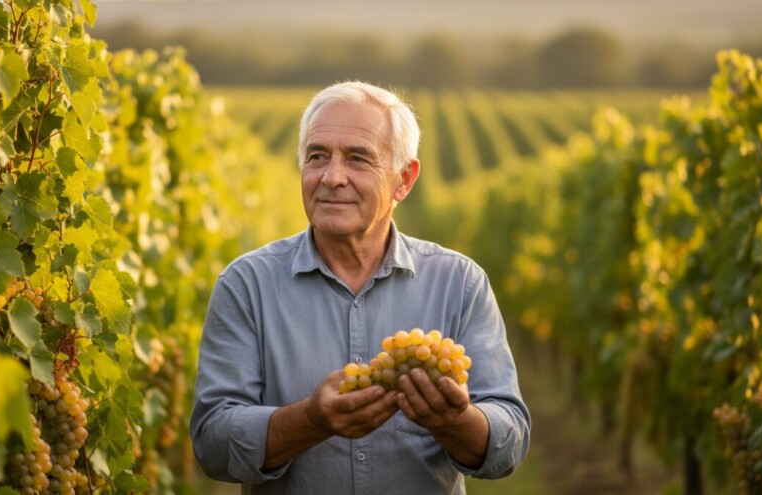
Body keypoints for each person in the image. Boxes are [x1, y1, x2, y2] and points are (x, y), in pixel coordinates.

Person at [189, 81, 530, 494]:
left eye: (357, 159)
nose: (332, 177)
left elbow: (510, 443)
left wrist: (456, 422)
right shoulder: (246, 285)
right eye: (317, 157)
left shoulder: (461, 284)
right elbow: (212, 445)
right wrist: (309, 421)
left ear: (403, 180)